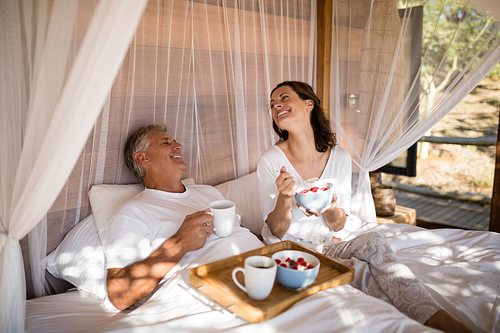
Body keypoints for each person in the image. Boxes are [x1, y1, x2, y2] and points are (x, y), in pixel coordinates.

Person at [257, 81, 472, 333]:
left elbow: (338, 224)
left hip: (330, 243)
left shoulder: (339, 157)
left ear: (308, 105)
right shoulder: (271, 161)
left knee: (374, 242)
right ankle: (417, 326)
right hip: (294, 247)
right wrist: (285, 198)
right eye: (272, 104)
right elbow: (277, 231)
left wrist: (330, 207)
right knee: (358, 271)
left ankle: (439, 318)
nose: (276, 105)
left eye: (283, 98)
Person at [105, 122, 262, 311]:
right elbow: (119, 296)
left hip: (266, 270)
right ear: (143, 158)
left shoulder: (208, 192)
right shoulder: (133, 212)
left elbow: (240, 233)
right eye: (166, 143)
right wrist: (178, 244)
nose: (178, 146)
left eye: (176, 141)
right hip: (221, 293)